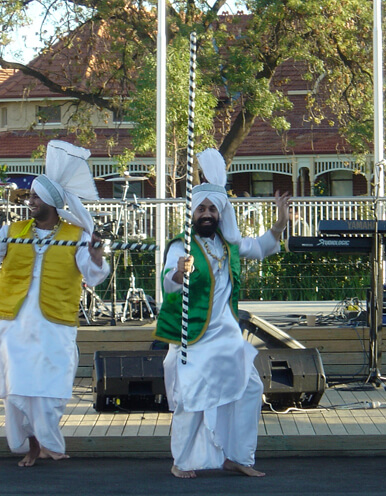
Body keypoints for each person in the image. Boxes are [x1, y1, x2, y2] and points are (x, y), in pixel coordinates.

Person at [0, 140, 109, 467]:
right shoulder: (13, 231)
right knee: (19, 383)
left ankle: (46, 439)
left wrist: (96, 255)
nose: (30, 201)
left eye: (37, 197)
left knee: (51, 384)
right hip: (16, 321)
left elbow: (94, 274)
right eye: (30, 196)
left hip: (55, 322)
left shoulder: (76, 235)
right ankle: (32, 446)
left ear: (53, 202)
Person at [154, 148, 290, 479]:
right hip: (195, 336)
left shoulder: (229, 245)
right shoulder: (181, 246)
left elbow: (261, 246)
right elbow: (168, 283)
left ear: (220, 213)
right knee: (194, 398)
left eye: (212, 208)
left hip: (226, 336)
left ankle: (237, 456)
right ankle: (182, 461)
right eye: (201, 208)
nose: (206, 213)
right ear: (192, 212)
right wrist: (178, 274)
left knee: (249, 389)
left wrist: (282, 221)